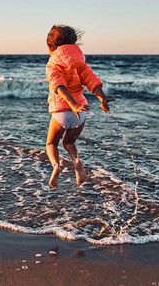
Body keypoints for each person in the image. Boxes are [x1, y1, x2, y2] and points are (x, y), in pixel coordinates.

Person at [45, 25, 114, 188]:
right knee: (69, 142)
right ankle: (76, 161)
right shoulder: (80, 63)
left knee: (52, 143)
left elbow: (59, 86)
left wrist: (71, 104)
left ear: (50, 46)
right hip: (80, 112)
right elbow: (91, 80)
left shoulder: (52, 64)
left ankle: (56, 166)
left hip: (62, 110)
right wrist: (102, 98)